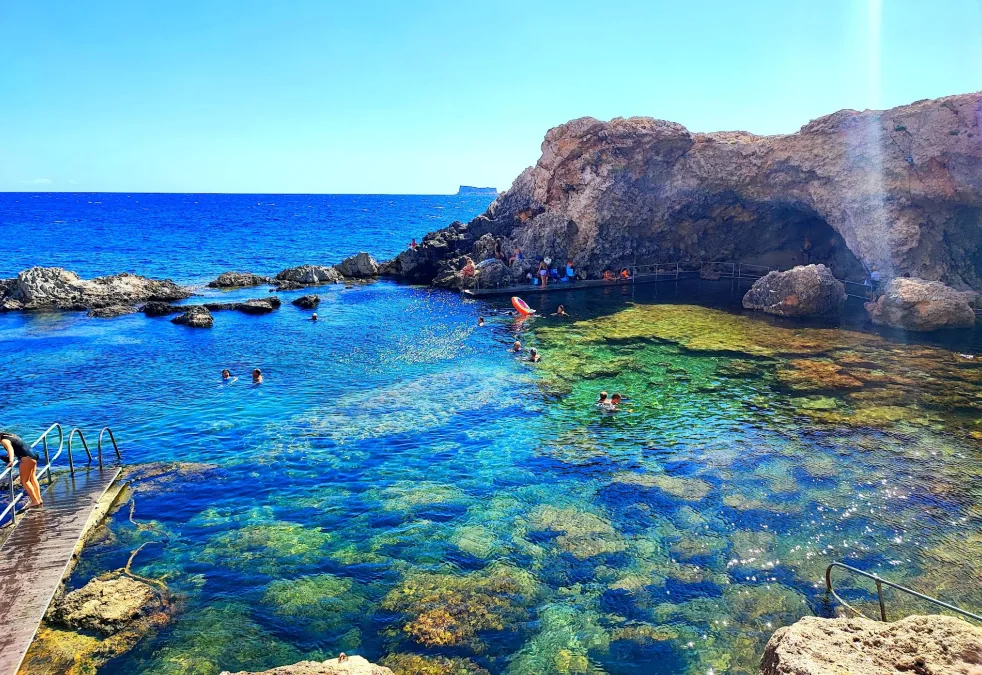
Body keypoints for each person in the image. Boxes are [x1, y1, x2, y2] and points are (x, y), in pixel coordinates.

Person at [1, 431, 43, 508]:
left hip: (27, 458)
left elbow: (10, 449)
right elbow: (18, 446)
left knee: (24, 481)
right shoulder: (10, 435)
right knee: (32, 478)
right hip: (33, 454)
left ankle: (35, 501)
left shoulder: (4, 440)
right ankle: (39, 499)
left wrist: (11, 461)